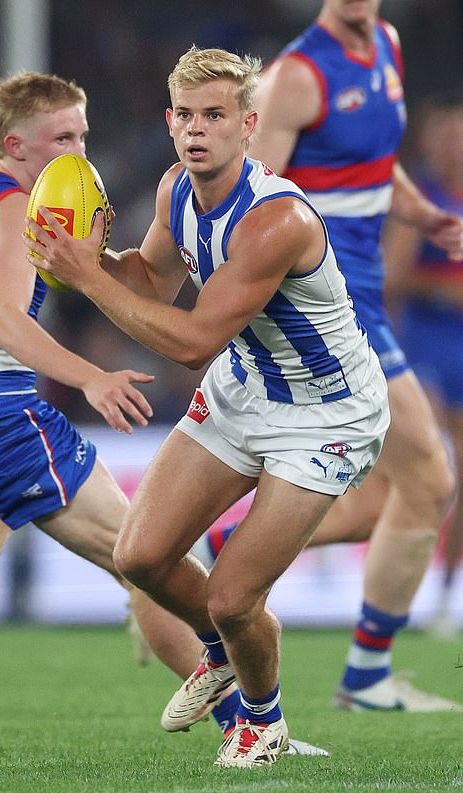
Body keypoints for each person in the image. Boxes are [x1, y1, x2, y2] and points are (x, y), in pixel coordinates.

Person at [25, 45, 390, 768]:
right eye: (186, 116)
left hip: (326, 415)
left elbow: (190, 340)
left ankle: (263, 722)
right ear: (169, 122)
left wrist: (89, 283)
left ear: (248, 126)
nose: (198, 130)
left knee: (230, 597)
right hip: (246, 385)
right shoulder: (173, 192)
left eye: (215, 115)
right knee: (140, 555)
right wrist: (89, 257)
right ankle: (227, 651)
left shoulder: (275, 220)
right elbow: (152, 282)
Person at [0, 70, 220, 745]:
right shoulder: (15, 208)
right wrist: (92, 377)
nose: (77, 153)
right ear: (14, 145)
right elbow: (8, 322)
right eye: (61, 138)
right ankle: (247, 722)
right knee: (144, 559)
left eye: (83, 136)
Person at [220, 0, 463, 712]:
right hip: (330, 301)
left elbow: (372, 162)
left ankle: (225, 547)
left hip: (365, 297)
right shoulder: (296, 76)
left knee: (393, 497)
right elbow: (246, 201)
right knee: (431, 472)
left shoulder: (384, 45)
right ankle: (364, 674)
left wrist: (418, 212)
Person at [384, 96, 463, 639]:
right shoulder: (422, 201)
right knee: (430, 468)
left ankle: (445, 596)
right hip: (427, 346)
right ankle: (399, 594)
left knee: (456, 480)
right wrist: (444, 287)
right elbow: (392, 276)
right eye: (443, 136)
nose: (451, 147)